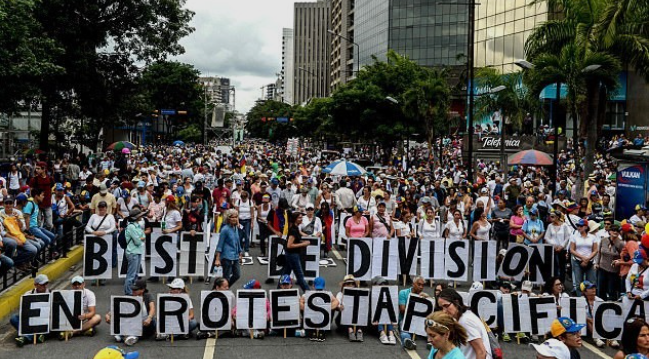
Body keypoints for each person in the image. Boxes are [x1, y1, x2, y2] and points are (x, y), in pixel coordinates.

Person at [437, 288, 492, 359]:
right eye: (441, 307)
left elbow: (481, 352)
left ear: (456, 302)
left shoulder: (465, 321)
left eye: (446, 306)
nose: (444, 311)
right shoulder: (459, 317)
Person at [106, 279, 156, 345]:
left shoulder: (148, 296)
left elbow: (152, 308)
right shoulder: (129, 297)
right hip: (132, 324)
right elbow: (117, 309)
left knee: (153, 321)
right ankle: (131, 336)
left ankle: (130, 336)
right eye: (132, 289)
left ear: (142, 290)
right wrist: (108, 315)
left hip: (145, 323)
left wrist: (149, 318)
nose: (133, 291)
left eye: (135, 290)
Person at [12, 274, 50, 346]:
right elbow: (23, 311)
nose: (45, 286)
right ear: (36, 285)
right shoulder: (28, 294)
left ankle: (26, 337)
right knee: (14, 318)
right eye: (42, 284)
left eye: (46, 284)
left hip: (44, 321)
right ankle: (37, 335)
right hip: (31, 320)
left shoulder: (51, 293)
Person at [299, 277, 338, 341]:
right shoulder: (328, 294)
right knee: (333, 306)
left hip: (319, 317)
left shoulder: (307, 295)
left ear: (313, 285)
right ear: (324, 286)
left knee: (332, 307)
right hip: (318, 317)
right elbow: (336, 302)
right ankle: (317, 329)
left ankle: (318, 329)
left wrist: (326, 308)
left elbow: (300, 303)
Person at [280, 212, 311, 292]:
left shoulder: (295, 228)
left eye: (301, 217)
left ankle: (278, 291)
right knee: (300, 277)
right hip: (292, 255)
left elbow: (300, 234)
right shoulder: (293, 230)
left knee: (285, 274)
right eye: (299, 218)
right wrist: (303, 244)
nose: (301, 219)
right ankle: (309, 294)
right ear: (295, 219)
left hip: (290, 255)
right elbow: (289, 245)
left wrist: (308, 237)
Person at [214, 209, 243, 286]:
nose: (234, 219)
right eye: (232, 217)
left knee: (237, 275)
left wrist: (240, 253)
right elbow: (220, 245)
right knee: (226, 277)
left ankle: (223, 288)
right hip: (226, 257)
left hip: (235, 256)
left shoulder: (236, 228)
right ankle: (222, 289)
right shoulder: (225, 230)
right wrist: (217, 259)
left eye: (236, 217)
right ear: (228, 218)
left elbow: (237, 241)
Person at [570, 219, 598, 296]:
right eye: (578, 226)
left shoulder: (592, 237)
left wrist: (587, 259)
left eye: (580, 226)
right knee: (578, 283)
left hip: (590, 261)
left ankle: (591, 298)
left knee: (592, 282)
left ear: (586, 227)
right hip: (578, 261)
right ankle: (580, 299)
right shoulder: (575, 236)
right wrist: (583, 258)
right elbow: (572, 249)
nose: (579, 227)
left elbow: (595, 250)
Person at [400, 276, 429, 350]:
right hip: (405, 319)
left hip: (419, 321)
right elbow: (402, 310)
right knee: (404, 332)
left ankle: (431, 342)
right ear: (413, 284)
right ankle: (408, 342)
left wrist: (428, 299)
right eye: (419, 284)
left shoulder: (423, 296)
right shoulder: (403, 293)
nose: (421, 287)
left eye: (423, 285)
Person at [596, 223, 623, 301]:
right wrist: (597, 263)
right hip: (602, 268)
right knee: (601, 289)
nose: (615, 232)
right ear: (609, 231)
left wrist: (618, 261)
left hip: (614, 270)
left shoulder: (621, 243)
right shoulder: (603, 240)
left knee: (612, 290)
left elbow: (624, 257)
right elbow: (599, 252)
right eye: (613, 230)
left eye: (617, 230)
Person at [335, 274, 364, 342]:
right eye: (348, 283)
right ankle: (350, 330)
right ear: (344, 285)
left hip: (356, 317)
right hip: (343, 318)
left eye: (352, 283)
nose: (350, 285)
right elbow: (337, 305)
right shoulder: (340, 294)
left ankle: (359, 330)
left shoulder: (359, 294)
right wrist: (339, 307)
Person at [124, 207, 146, 295]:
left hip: (138, 251)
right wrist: (140, 238)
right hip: (133, 252)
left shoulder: (137, 226)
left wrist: (139, 238)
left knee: (136, 275)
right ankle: (128, 292)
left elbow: (142, 237)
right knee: (131, 275)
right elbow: (138, 241)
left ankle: (133, 292)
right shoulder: (131, 227)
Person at [545, 211, 571, 281]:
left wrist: (561, 246)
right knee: (554, 266)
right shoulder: (550, 226)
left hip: (562, 249)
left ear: (558, 217)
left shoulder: (564, 225)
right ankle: (554, 282)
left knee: (562, 266)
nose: (551, 218)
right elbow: (547, 237)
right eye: (550, 216)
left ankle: (561, 282)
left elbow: (567, 237)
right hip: (553, 249)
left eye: (553, 216)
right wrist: (553, 245)